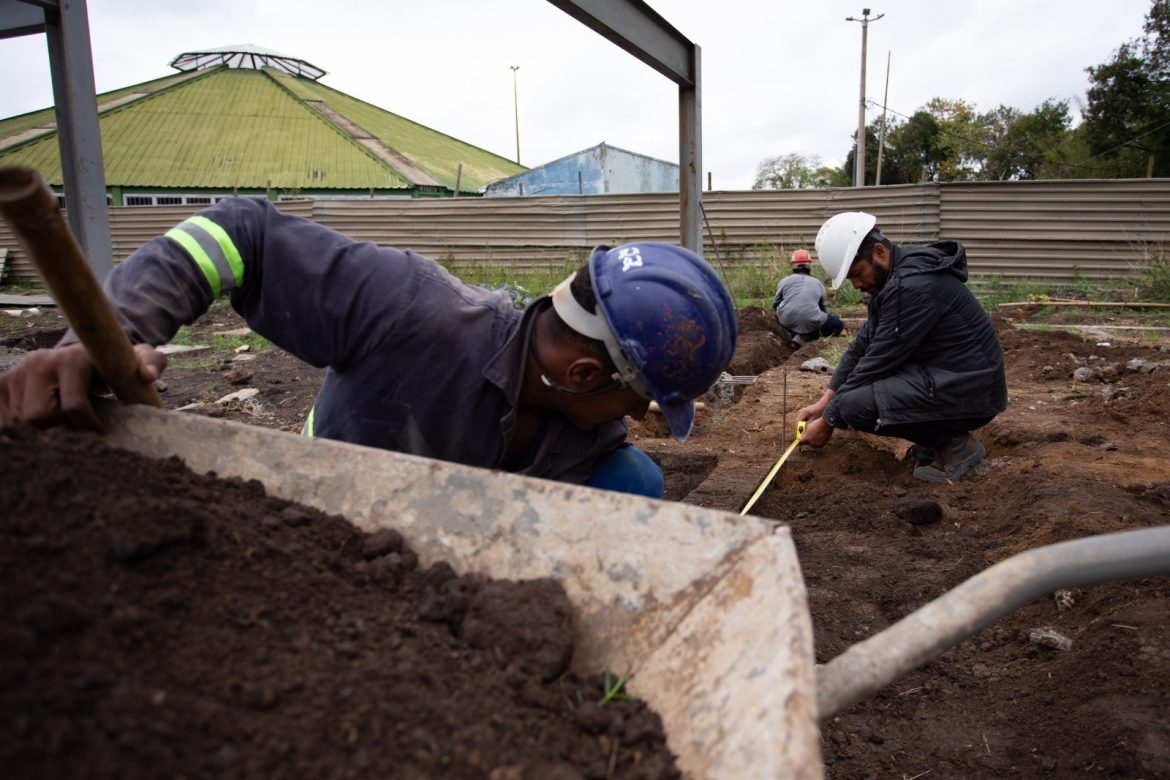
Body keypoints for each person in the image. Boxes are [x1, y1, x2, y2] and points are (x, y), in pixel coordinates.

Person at [0, 197, 738, 499]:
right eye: (638, 399)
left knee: (636, 483)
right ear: (584, 371)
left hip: (457, 569)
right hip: (323, 509)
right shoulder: (413, 311)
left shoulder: (591, 441)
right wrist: (111, 332)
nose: (635, 417)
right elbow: (242, 233)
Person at [795, 211, 1008, 483]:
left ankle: (955, 445)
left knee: (853, 406)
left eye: (857, 274)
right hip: (953, 379)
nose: (858, 284)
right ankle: (937, 441)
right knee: (847, 399)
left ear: (880, 252)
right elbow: (862, 347)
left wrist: (829, 421)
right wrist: (824, 403)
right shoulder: (895, 282)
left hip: (972, 390)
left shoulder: (913, 287)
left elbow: (877, 361)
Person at [772, 248, 845, 349]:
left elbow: (775, 304)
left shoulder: (784, 281)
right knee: (838, 325)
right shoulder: (818, 283)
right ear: (809, 266)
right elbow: (822, 309)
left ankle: (792, 334)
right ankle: (804, 337)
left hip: (786, 320)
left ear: (793, 266)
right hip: (810, 320)